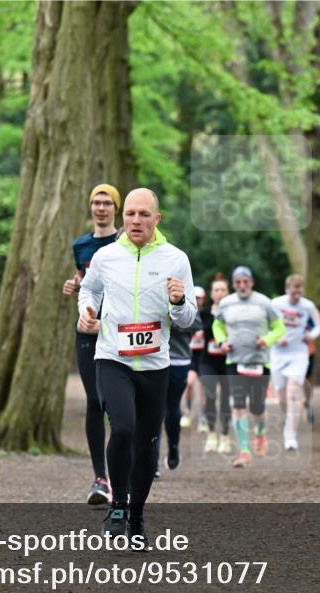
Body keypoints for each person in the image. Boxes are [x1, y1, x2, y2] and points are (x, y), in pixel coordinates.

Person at [78, 188, 196, 541]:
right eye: (130, 214)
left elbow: (188, 318)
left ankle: (137, 516)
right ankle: (117, 506)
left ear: (156, 219)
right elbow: (90, 291)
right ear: (123, 216)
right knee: (123, 428)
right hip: (113, 357)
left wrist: (177, 301)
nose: (135, 220)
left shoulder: (176, 259)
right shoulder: (106, 256)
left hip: (155, 364)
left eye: (144, 214)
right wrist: (85, 313)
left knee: (146, 442)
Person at [62, 184, 120, 505]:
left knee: (118, 403)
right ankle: (100, 479)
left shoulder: (124, 241)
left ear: (115, 208)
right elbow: (83, 280)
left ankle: (127, 467)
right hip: (87, 331)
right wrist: (74, 285)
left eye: (107, 202)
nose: (100, 207)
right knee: (94, 401)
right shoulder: (81, 245)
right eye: (96, 202)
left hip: (118, 330)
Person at [212, 266, 285, 468]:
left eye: (246, 282)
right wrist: (222, 342)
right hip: (235, 361)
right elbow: (217, 326)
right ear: (234, 284)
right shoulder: (226, 303)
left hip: (260, 362)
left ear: (251, 283)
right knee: (238, 406)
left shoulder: (264, 302)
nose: (242, 285)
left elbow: (279, 328)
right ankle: (244, 451)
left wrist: (268, 339)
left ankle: (260, 433)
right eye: (238, 282)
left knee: (257, 407)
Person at [270, 274, 320, 451]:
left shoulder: (308, 306)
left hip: (298, 353)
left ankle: (290, 435)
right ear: (287, 290)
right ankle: (288, 421)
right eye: (293, 293)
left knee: (293, 392)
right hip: (278, 354)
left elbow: (318, 326)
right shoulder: (276, 304)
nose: (296, 297)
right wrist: (276, 338)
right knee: (282, 395)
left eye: (299, 293)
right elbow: (265, 324)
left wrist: (310, 336)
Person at [155, 303, 203, 474]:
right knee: (153, 410)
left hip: (178, 361)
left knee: (171, 408)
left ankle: (173, 446)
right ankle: (152, 461)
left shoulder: (182, 293)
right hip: (152, 358)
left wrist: (170, 320)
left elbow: (197, 324)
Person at [198, 275, 232, 454]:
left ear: (228, 292)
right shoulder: (204, 313)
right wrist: (216, 314)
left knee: (226, 399)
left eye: (223, 290)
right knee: (210, 395)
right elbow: (202, 330)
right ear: (212, 294)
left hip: (227, 361)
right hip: (208, 361)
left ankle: (225, 437)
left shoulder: (235, 311)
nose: (220, 293)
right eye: (216, 290)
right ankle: (212, 435)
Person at [180, 286, 208, 432]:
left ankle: (203, 418)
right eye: (195, 298)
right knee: (189, 383)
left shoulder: (206, 314)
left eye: (199, 298)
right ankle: (187, 414)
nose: (197, 301)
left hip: (203, 356)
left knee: (203, 388)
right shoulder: (186, 312)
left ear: (204, 299)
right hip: (189, 355)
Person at [303, 305, 320, 424]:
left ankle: (307, 403)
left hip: (308, 352)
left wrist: (310, 334)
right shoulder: (282, 306)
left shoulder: (310, 308)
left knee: (307, 379)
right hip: (289, 353)